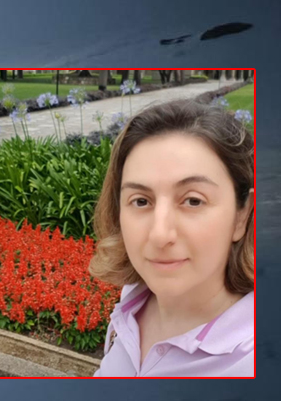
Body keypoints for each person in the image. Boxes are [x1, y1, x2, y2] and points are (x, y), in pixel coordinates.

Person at [89, 102, 254, 377]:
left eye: (193, 200)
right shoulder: (134, 300)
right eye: (141, 201)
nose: (160, 234)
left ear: (241, 216)